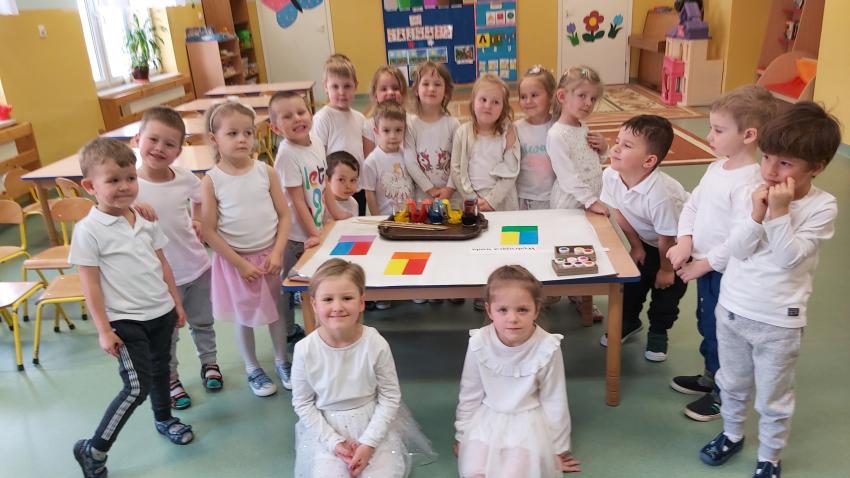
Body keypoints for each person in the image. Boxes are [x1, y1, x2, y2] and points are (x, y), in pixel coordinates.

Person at [698, 102, 842, 478]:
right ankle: (732, 434)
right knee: (731, 382)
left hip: (778, 321)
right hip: (732, 308)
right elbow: (739, 248)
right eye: (767, 157)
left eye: (785, 163)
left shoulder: (822, 207)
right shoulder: (754, 190)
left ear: (817, 167)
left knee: (774, 397)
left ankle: (770, 457)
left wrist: (779, 213)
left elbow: (787, 258)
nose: (770, 170)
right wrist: (756, 214)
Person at [70, 138, 194, 478]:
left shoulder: (144, 218)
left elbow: (162, 262)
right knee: (137, 386)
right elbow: (90, 284)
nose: (125, 186)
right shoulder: (88, 231)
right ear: (90, 186)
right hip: (125, 322)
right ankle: (93, 449)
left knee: (161, 371)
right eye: (113, 180)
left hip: (161, 312)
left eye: (130, 178)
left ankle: (164, 418)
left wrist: (176, 302)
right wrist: (103, 330)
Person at [665, 85, 777, 421]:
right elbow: (692, 205)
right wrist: (684, 241)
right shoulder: (717, 168)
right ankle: (711, 375)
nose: (709, 136)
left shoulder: (750, 182)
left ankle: (724, 394)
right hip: (705, 265)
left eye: (718, 130)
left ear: (749, 135)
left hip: (729, 272)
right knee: (706, 324)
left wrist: (703, 265)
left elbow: (742, 239)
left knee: (724, 333)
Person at [291, 258, 437, 477]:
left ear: (361, 302)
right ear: (314, 305)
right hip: (327, 429)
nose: (337, 307)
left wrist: (369, 442)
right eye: (328, 299)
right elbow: (302, 403)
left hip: (373, 424)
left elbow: (390, 396)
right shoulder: (305, 350)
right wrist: (334, 442)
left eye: (347, 298)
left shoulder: (375, 343)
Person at [200, 101, 293, 396]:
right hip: (236, 263)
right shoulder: (212, 181)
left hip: (270, 257)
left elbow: (285, 215)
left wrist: (277, 252)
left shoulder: (266, 172)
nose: (242, 139)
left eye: (248, 132)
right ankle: (253, 367)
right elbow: (208, 231)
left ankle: (282, 360)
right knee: (245, 317)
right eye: (232, 133)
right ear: (214, 138)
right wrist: (240, 264)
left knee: (276, 311)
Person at [454, 265, 580, 477]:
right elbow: (469, 393)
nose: (512, 318)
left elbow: (554, 400)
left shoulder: (547, 347)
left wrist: (557, 449)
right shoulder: (479, 342)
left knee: (513, 473)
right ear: (489, 310)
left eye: (522, 310)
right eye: (503, 310)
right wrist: (462, 434)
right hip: (488, 418)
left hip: (527, 422)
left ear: (536, 310)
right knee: (473, 472)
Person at [135, 107, 222, 411]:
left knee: (203, 322)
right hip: (157, 279)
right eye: (153, 139)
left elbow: (201, 199)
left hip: (196, 267)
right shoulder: (129, 187)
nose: (160, 148)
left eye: (169, 144)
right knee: (166, 336)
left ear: (179, 151)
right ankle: (171, 379)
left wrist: (197, 221)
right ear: (137, 139)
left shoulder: (184, 178)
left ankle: (210, 363)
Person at [600, 115, 689, 362]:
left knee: (666, 294)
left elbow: (667, 237)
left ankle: (659, 332)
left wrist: (666, 270)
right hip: (649, 240)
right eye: (617, 141)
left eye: (627, 145)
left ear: (649, 161)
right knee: (632, 284)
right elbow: (618, 211)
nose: (616, 148)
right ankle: (629, 321)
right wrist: (636, 245)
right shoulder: (611, 175)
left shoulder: (661, 194)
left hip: (677, 247)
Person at [270, 90, 324, 357]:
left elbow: (322, 184)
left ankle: (312, 326)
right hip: (294, 235)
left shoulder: (316, 143)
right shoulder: (287, 154)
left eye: (301, 112)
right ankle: (288, 330)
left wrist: (334, 215)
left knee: (313, 280)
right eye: (288, 116)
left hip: (313, 229)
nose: (298, 119)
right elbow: (297, 200)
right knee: (288, 286)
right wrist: (314, 232)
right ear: (275, 128)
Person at [450, 72, 520, 213]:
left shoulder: (509, 132)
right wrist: (472, 199)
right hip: (472, 204)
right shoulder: (462, 132)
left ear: (503, 107)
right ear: (473, 101)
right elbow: (456, 169)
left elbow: (512, 170)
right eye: (483, 99)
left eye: (495, 102)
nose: (488, 106)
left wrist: (491, 200)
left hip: (502, 203)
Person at [547, 65, 609, 215]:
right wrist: (590, 201)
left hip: (591, 197)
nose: (589, 103)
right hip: (571, 203)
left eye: (593, 99)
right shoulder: (556, 135)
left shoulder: (583, 127)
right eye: (582, 96)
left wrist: (603, 148)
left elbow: (591, 162)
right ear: (562, 96)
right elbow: (566, 176)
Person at [311, 53, 367, 215]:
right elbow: (317, 157)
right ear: (325, 87)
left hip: (357, 186)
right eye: (335, 86)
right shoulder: (322, 118)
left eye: (347, 86)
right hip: (334, 190)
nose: (341, 92)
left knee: (358, 222)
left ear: (356, 86)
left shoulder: (360, 118)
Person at [405, 61, 459, 201]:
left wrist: (449, 189)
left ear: (446, 91)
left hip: (451, 198)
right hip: (423, 197)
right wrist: (431, 189)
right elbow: (410, 162)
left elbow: (458, 161)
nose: (431, 88)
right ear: (416, 90)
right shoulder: (410, 124)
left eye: (437, 84)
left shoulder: (453, 124)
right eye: (425, 84)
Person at [361, 100, 413, 218]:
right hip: (386, 218)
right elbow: (369, 194)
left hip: (409, 217)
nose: (393, 136)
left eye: (398, 130)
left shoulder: (407, 154)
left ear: (404, 130)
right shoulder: (371, 162)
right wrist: (377, 219)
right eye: (386, 130)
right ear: (376, 131)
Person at [515, 65, 556, 211]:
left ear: (551, 96)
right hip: (523, 197)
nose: (528, 101)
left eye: (534, 95)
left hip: (553, 196)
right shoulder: (516, 129)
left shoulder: (558, 126)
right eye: (523, 96)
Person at [362, 65, 409, 157]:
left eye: (395, 88)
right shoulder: (369, 125)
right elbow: (368, 159)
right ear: (375, 95)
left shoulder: (410, 121)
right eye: (384, 89)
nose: (390, 92)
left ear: (403, 93)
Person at [324, 151, 361, 221]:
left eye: (352, 180)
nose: (348, 186)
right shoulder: (323, 206)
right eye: (341, 180)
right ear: (328, 179)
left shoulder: (354, 203)